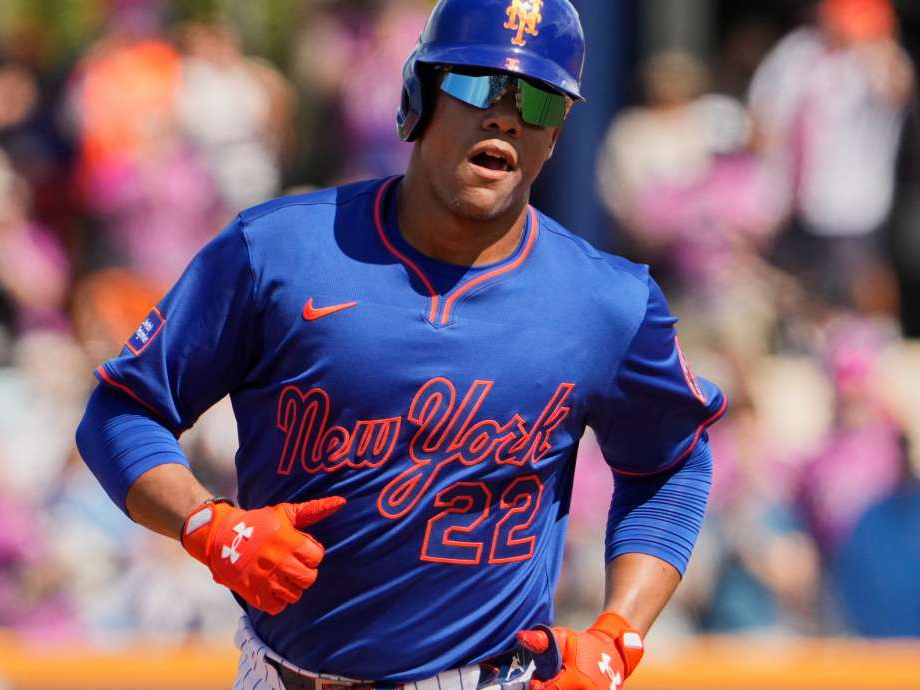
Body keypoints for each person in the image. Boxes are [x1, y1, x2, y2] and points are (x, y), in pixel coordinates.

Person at [74, 2, 727, 689]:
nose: (505, 115)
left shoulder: (607, 303)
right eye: (476, 84)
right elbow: (121, 410)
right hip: (277, 673)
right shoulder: (277, 252)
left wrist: (619, 635)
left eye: (537, 99)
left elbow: (670, 467)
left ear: (556, 133)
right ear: (418, 96)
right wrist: (208, 525)